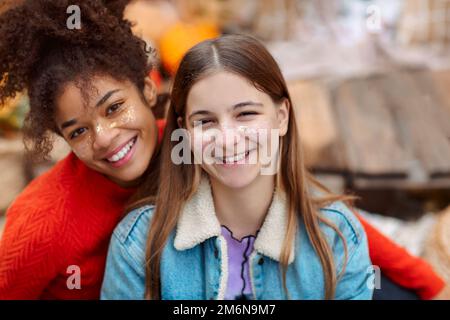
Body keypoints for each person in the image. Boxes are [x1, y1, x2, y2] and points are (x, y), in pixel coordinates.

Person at [101, 34, 374, 300]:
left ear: (281, 117)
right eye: (205, 121)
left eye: (246, 114)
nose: (228, 139)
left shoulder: (337, 235)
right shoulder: (138, 242)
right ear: (184, 131)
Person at [0, 0, 163, 299]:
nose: (102, 138)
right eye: (78, 131)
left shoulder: (189, 147)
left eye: (114, 108)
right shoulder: (43, 223)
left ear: (148, 90)